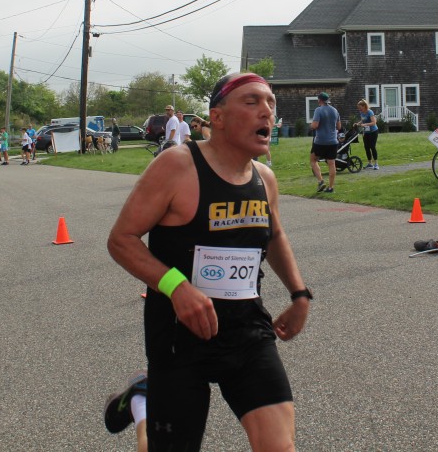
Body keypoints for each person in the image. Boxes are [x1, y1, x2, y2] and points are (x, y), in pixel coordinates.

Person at [107, 72, 310, 451]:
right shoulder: (177, 166)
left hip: (247, 331)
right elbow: (121, 240)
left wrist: (299, 295)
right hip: (178, 335)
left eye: (270, 103)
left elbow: (275, 235)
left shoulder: (265, 178)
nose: (266, 111)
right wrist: (177, 287)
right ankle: (142, 405)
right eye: (251, 102)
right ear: (217, 117)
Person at [310, 92, 341, 193]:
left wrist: (311, 126)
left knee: (313, 160)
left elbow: (315, 125)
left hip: (320, 141)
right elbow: (339, 127)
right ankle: (331, 187)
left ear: (319, 100)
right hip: (333, 141)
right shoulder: (335, 110)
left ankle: (321, 181)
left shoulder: (318, 110)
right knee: (331, 164)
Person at [356, 100, 379, 170]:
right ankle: (370, 163)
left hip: (373, 131)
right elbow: (363, 120)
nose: (359, 109)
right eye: (358, 108)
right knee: (366, 147)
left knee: (372, 147)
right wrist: (358, 123)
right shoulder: (361, 112)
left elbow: (374, 122)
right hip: (366, 132)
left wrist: (365, 124)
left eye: (360, 107)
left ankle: (376, 164)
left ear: (364, 106)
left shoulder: (370, 112)